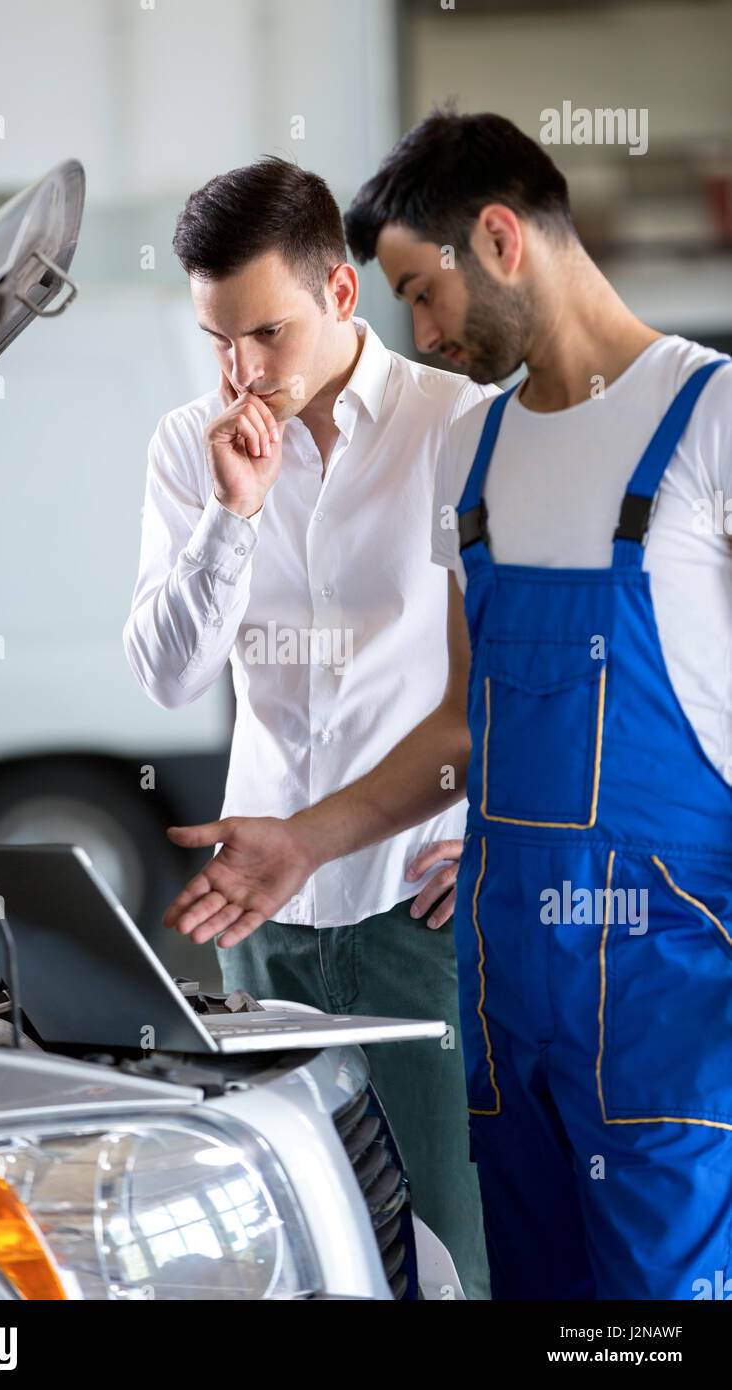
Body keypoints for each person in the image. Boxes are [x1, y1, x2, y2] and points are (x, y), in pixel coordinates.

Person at [162, 113, 732, 1301]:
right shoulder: (488, 459)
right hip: (503, 978)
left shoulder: (703, 419)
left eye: (421, 293)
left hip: (668, 985)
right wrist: (300, 843)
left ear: (498, 237)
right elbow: (467, 725)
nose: (417, 332)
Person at [123, 156, 495, 1299]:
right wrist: (230, 520)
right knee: (290, 1255)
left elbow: (505, 684)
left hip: (419, 914)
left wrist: (492, 829)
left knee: (450, 1255)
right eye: (217, 340)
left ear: (341, 295)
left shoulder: (462, 427)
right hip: (265, 917)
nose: (240, 372)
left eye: (265, 335)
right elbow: (167, 679)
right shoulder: (194, 446)